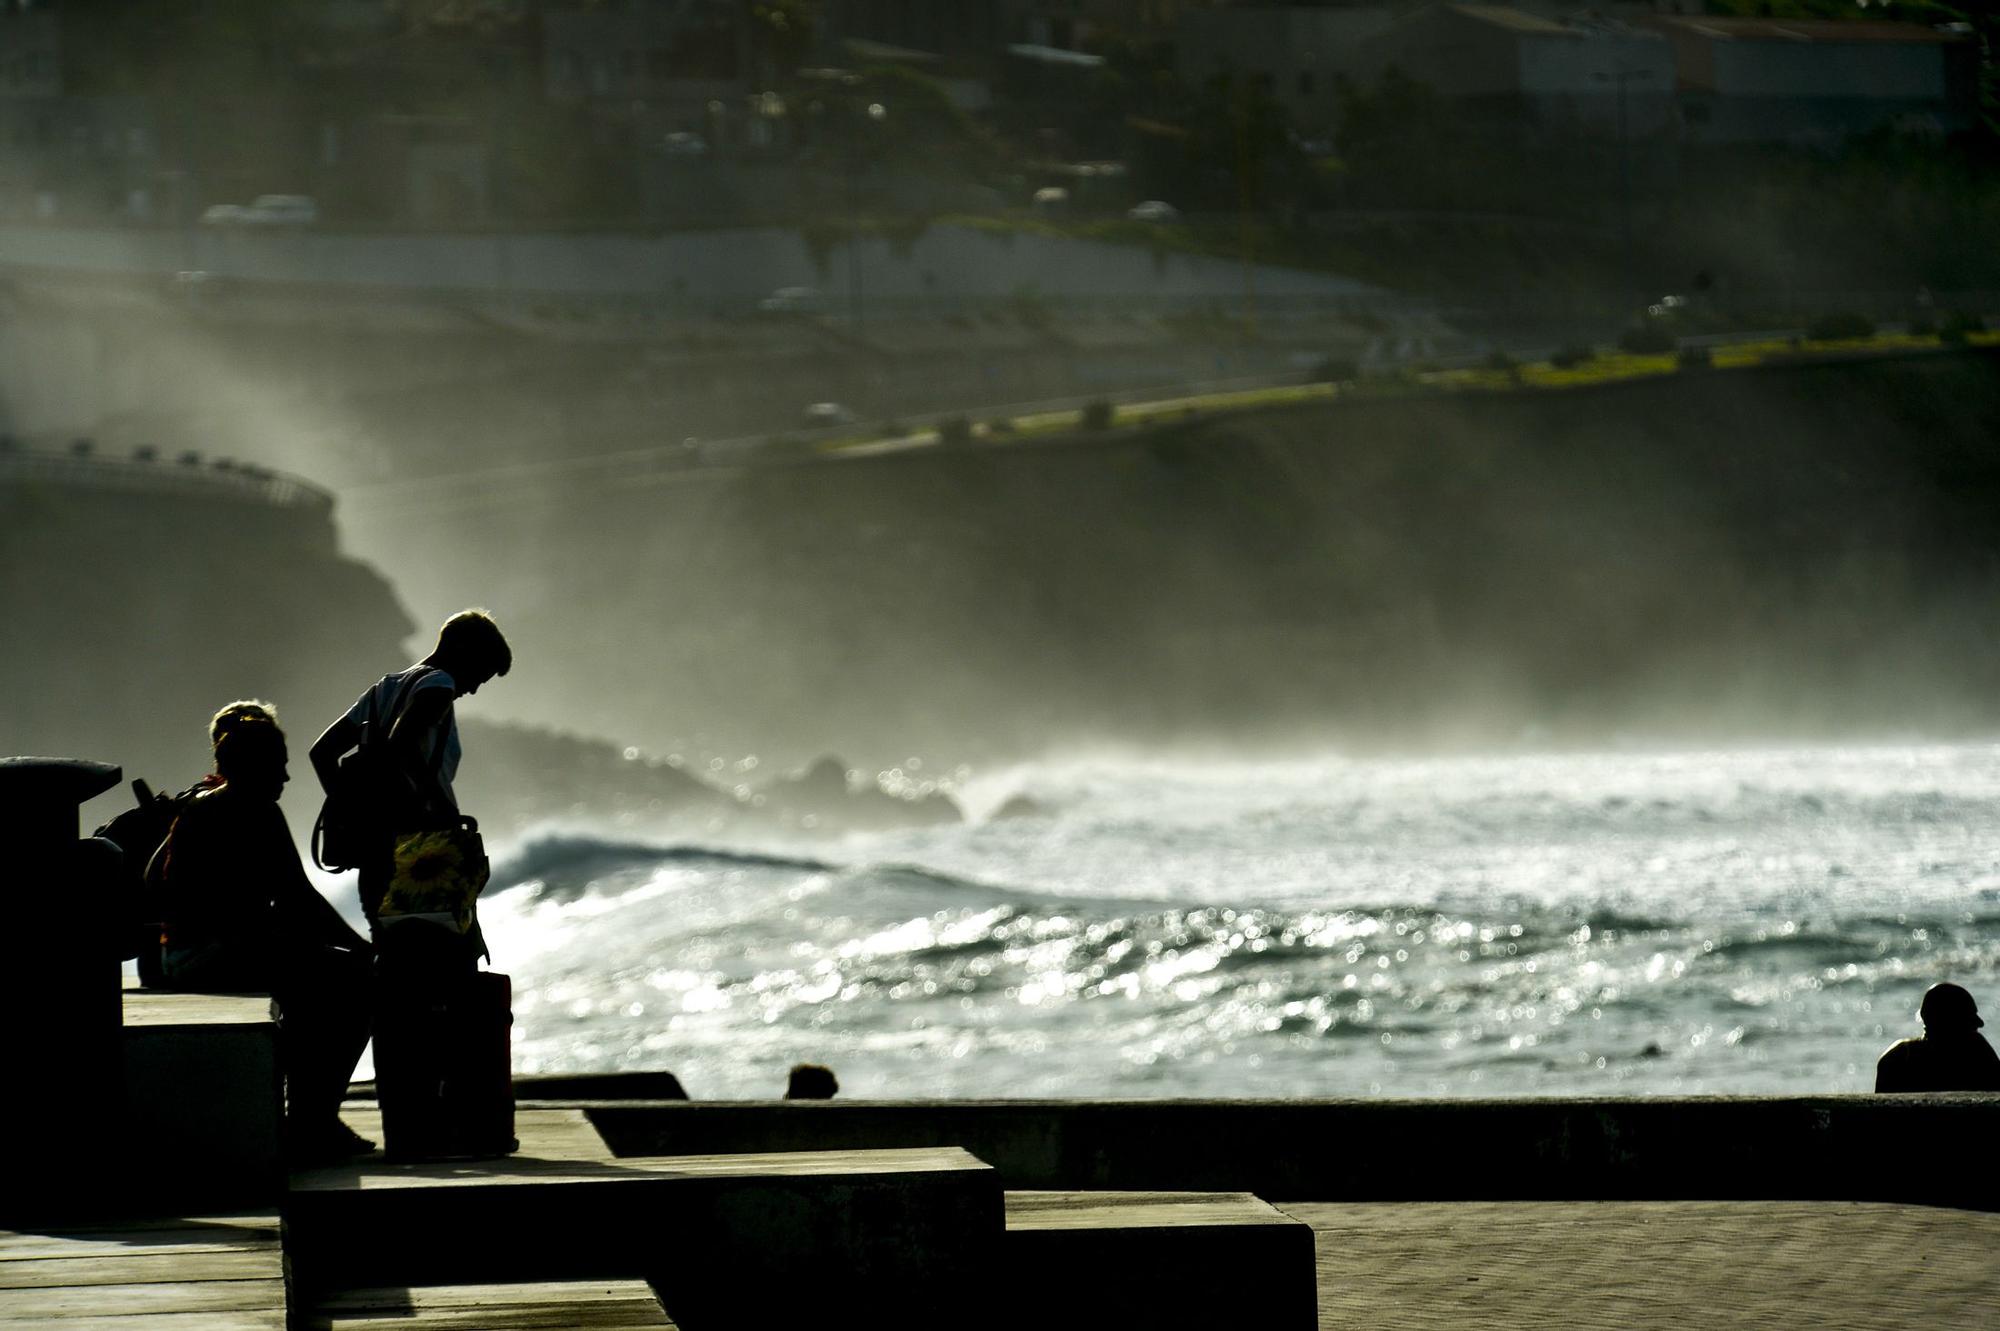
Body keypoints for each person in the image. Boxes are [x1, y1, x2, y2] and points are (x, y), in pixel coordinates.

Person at [156, 717, 375, 1162]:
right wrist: (366, 950)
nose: (287, 777)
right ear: (254, 767)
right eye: (279, 766)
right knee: (355, 984)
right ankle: (314, 1121)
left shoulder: (201, 807)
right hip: (211, 955)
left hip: (182, 955)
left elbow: (154, 881)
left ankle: (309, 1118)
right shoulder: (254, 810)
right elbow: (299, 899)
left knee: (317, 979)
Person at [309, 609, 511, 959]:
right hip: (419, 858)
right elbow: (400, 745)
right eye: (481, 672)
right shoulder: (439, 685)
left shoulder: (383, 690)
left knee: (390, 960)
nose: (476, 688)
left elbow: (322, 753)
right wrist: (441, 812)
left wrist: (348, 809)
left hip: (374, 855)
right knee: (444, 962)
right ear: (463, 650)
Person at [1875, 982, 2000, 1093]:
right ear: (1947, 1021)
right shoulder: (1978, 1052)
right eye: (1969, 1016)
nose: (1980, 1023)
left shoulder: (1897, 1058)